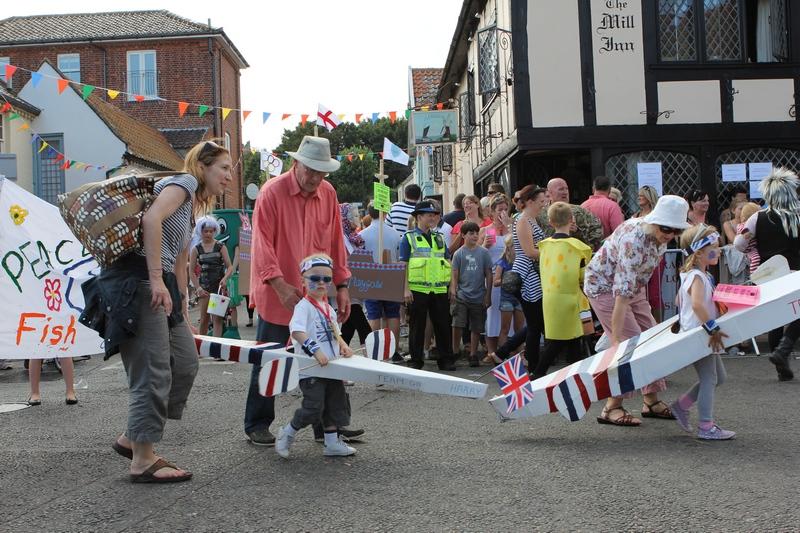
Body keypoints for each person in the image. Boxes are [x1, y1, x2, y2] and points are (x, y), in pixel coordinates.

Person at [81, 139, 231, 482]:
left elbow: (179, 257)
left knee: (185, 361)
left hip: (159, 280)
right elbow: (151, 220)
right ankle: (142, 460)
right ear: (203, 166)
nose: (228, 176)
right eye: (223, 168)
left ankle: (133, 437)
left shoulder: (193, 204)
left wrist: (182, 306)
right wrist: (155, 279)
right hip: (137, 279)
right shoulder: (184, 182)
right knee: (153, 371)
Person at [246, 135, 352, 446]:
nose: (316, 178)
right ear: (296, 164)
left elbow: (336, 241)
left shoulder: (328, 193)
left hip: (315, 293)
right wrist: (278, 284)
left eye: (322, 173)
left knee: (327, 357)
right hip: (278, 291)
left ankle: (329, 427)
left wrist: (342, 285)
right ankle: (257, 423)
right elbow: (261, 244)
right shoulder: (271, 192)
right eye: (311, 171)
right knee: (270, 357)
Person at [584, 195, 690, 426]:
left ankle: (650, 400)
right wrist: (617, 341)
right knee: (631, 346)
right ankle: (612, 407)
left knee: (652, 340)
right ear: (655, 221)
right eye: (666, 228)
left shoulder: (658, 237)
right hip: (604, 287)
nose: (670, 235)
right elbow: (621, 296)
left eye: (676, 231)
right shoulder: (634, 240)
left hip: (632, 287)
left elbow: (634, 283)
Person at [275, 254, 357, 458]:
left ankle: (332, 443)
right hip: (312, 368)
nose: (321, 283)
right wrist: (316, 350)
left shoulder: (328, 308)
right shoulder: (303, 307)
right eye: (315, 278)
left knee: (334, 406)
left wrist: (344, 346)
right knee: (313, 408)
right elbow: (297, 331)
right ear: (303, 281)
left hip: (332, 368)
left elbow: (335, 332)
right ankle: (288, 433)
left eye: (327, 279)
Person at [669, 224, 735, 440]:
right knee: (710, 379)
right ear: (698, 253)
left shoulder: (693, 275)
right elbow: (697, 305)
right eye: (713, 247)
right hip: (701, 336)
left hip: (698, 333)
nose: (718, 249)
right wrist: (712, 328)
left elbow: (680, 300)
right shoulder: (697, 277)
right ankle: (706, 426)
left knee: (719, 377)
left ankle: (681, 405)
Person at [734, 169, 800, 381]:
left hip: (770, 274)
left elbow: (739, 243)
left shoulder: (757, 217)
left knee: (776, 317)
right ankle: (784, 349)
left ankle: (780, 363)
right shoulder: (798, 215)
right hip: (795, 271)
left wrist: (753, 250)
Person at [534, 202, 593, 378]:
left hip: (550, 298)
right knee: (568, 337)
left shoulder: (543, 246)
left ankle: (574, 375)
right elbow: (584, 276)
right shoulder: (580, 248)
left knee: (562, 338)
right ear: (571, 219)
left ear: (550, 222)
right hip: (571, 298)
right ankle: (537, 375)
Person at [400, 200, 456, 371]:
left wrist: (452, 287)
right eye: (429, 215)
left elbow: (448, 262)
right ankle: (416, 360)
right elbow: (404, 265)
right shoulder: (408, 238)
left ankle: (446, 359)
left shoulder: (439, 237)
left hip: (439, 288)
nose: (433, 217)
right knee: (417, 326)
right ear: (419, 217)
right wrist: (405, 289)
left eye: (434, 214)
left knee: (443, 325)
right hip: (418, 289)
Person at [359, 202, 403, 361]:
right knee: (392, 314)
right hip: (391, 274)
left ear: (370, 214)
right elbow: (398, 257)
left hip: (371, 276)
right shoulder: (395, 233)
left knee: (373, 315)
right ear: (384, 212)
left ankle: (374, 351)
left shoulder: (363, 234)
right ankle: (394, 350)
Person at [512, 185, 548, 373]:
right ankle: (534, 366)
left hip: (534, 274)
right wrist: (551, 250)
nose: (544, 204)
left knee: (537, 323)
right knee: (535, 325)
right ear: (531, 202)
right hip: (528, 275)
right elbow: (528, 251)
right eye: (541, 201)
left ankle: (533, 364)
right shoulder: (523, 219)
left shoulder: (531, 218)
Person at [450, 222, 493, 367]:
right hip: (462, 295)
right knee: (457, 324)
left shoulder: (484, 253)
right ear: (463, 235)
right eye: (471, 233)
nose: (475, 236)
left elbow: (488, 274)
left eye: (476, 233)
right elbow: (455, 273)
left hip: (478, 295)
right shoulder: (458, 253)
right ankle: (455, 350)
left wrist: (488, 294)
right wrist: (454, 289)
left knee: (476, 326)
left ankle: (473, 353)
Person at [479, 194, 513, 358]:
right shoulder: (486, 230)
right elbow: (475, 255)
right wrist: (484, 246)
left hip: (510, 276)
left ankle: (510, 347)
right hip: (492, 277)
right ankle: (491, 350)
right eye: (500, 210)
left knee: (510, 313)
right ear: (492, 212)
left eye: (506, 209)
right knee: (492, 313)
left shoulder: (513, 227)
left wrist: (510, 227)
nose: (503, 213)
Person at [189, 216, 232, 338]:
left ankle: (216, 349)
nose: (208, 233)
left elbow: (229, 266)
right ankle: (200, 348)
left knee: (217, 319)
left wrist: (225, 279)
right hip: (204, 288)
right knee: (204, 319)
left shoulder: (221, 246)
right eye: (205, 231)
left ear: (215, 231)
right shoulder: (196, 249)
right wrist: (198, 288)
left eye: (211, 231)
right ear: (200, 231)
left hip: (218, 287)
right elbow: (191, 271)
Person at [539, 177, 603, 251]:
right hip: (550, 256)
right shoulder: (540, 214)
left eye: (566, 189)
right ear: (550, 193)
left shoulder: (580, 211)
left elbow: (597, 231)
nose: (565, 192)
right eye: (561, 189)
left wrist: (578, 233)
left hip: (575, 256)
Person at [490, 235, 524, 360]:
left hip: (520, 298)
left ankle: (521, 356)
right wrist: (508, 280)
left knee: (520, 330)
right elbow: (495, 281)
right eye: (516, 246)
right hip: (507, 299)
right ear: (509, 248)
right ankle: (502, 355)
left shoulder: (522, 260)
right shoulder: (503, 261)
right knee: (505, 328)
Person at [734, 202, 762, 275]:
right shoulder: (745, 226)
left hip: (752, 247)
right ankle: (753, 274)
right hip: (750, 249)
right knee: (756, 258)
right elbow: (742, 235)